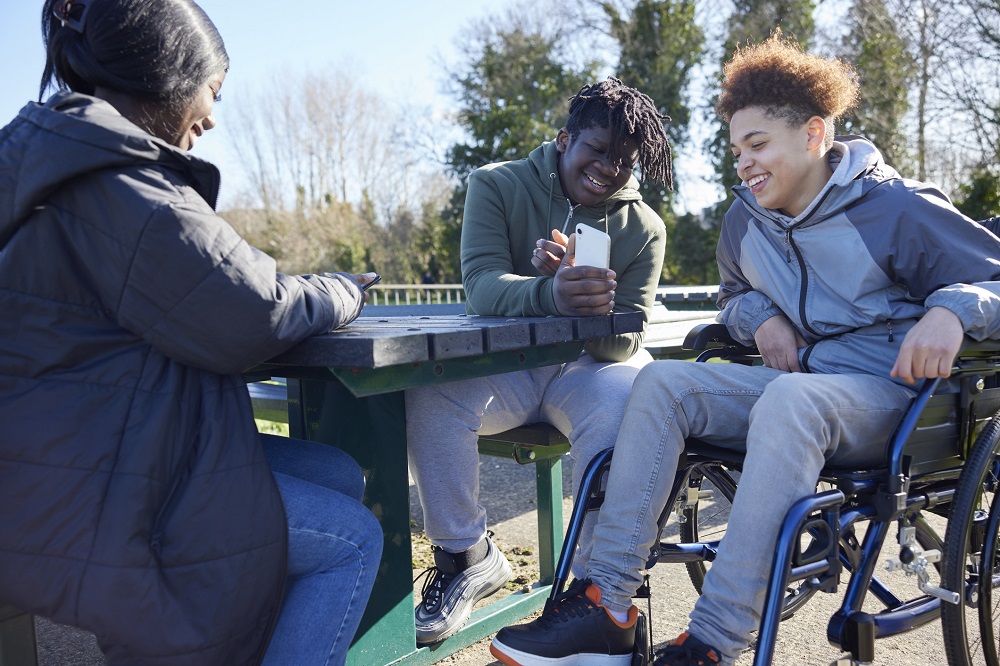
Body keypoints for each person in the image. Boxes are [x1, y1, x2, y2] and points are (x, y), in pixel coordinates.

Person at [490, 34, 1000, 666]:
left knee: (791, 399)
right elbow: (733, 293)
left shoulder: (893, 209)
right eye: (736, 150)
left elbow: (993, 276)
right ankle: (607, 605)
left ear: (814, 135)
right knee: (664, 383)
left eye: (757, 145)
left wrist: (954, 310)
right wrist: (759, 316)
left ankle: (712, 643)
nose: (744, 163)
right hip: (803, 385)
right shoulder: (744, 222)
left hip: (896, 394)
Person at [0, 1, 382, 664]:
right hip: (87, 493)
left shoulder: (65, 163)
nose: (211, 116)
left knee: (336, 470)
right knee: (352, 539)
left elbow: (209, 293)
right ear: (166, 77)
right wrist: (340, 290)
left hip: (79, 456)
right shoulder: (120, 185)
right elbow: (253, 313)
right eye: (213, 91)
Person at [405, 77, 674, 643]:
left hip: (592, 367)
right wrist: (546, 293)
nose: (608, 168)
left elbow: (625, 343)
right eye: (596, 150)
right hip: (515, 364)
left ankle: (594, 593)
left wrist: (589, 311)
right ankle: (465, 556)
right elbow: (480, 285)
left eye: (623, 161)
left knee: (629, 400)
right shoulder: (497, 184)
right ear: (564, 139)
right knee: (429, 391)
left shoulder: (645, 228)